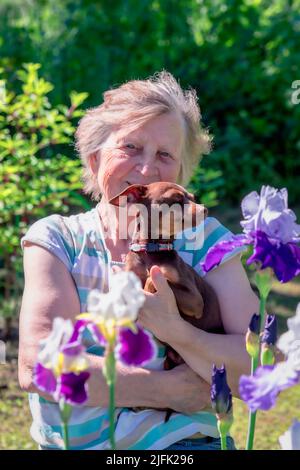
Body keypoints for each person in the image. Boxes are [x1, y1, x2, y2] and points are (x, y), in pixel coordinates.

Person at [18, 71, 259, 450]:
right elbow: (39, 368)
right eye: (130, 148)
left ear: (180, 175)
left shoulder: (208, 241)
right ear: (95, 160)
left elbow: (258, 367)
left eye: (165, 155)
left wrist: (174, 329)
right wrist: (164, 390)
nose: (147, 169)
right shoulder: (58, 240)